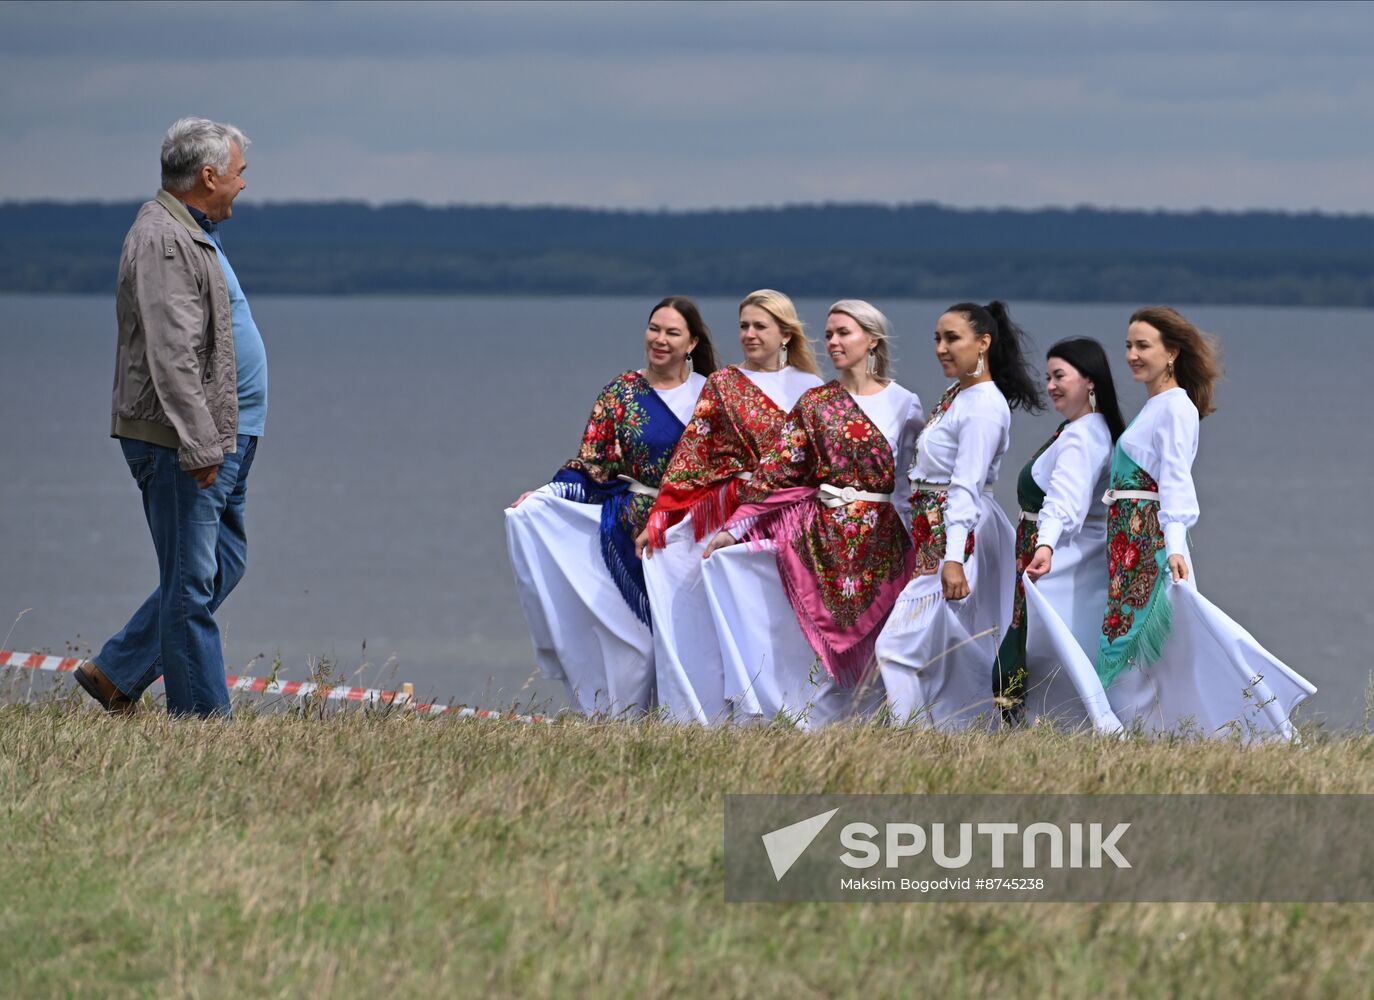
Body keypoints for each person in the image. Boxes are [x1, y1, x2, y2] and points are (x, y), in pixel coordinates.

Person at [74, 117, 266, 719]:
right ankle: (204, 725)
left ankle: (116, 672)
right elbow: (172, 352)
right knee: (189, 588)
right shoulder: (163, 239)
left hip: (227, 437)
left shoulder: (190, 231)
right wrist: (200, 443)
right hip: (188, 443)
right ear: (208, 176)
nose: (242, 185)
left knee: (221, 566)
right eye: (238, 174)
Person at [1085, 307, 1315, 738]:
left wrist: (1173, 545)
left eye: (1143, 346)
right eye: (1128, 346)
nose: (1132, 355)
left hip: (1150, 546)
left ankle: (1127, 737)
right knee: (1143, 652)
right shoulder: (1156, 406)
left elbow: (1175, 482)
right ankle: (1148, 734)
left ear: (1171, 352)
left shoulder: (1176, 408)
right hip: (1128, 546)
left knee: (1128, 648)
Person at [701, 300, 923, 727]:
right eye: (830, 334)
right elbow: (778, 471)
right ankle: (812, 729)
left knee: (883, 650)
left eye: (844, 333)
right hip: (821, 539)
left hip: (883, 542)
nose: (833, 342)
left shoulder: (905, 404)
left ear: (871, 340)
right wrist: (734, 529)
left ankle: (879, 730)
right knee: (818, 656)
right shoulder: (815, 402)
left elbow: (908, 485)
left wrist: (922, 547)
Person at [505, 298, 715, 716]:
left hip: (690, 530)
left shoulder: (711, 396)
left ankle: (691, 724)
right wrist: (545, 495)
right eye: (654, 328)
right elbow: (593, 464)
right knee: (634, 645)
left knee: (687, 641)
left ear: (691, 342)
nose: (660, 339)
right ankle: (621, 723)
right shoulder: (620, 392)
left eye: (672, 332)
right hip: (628, 534)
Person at [638, 290, 823, 724]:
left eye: (760, 326)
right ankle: (731, 714)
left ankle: (794, 713)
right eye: (744, 326)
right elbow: (693, 456)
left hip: (794, 518)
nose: (749, 334)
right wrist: (661, 516)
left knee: (784, 624)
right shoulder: (723, 384)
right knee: (732, 618)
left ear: (784, 334)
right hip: (734, 515)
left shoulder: (813, 388)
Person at [876, 301, 1042, 729]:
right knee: (948, 648)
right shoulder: (961, 395)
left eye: (952, 338)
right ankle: (960, 732)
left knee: (899, 648)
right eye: (937, 338)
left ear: (983, 343)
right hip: (939, 532)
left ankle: (912, 739)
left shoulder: (983, 405)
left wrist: (953, 557)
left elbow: (965, 486)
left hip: (958, 533)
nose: (941, 348)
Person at [998, 338, 1125, 731]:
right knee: (1065, 651)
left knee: (1049, 652)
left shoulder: (1082, 435)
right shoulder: (1090, 428)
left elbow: (1063, 502)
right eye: (1048, 377)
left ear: (1090, 381)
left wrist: (1045, 545)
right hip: (1075, 559)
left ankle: (1062, 728)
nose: (1051, 385)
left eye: (1060, 376)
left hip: (1062, 564)